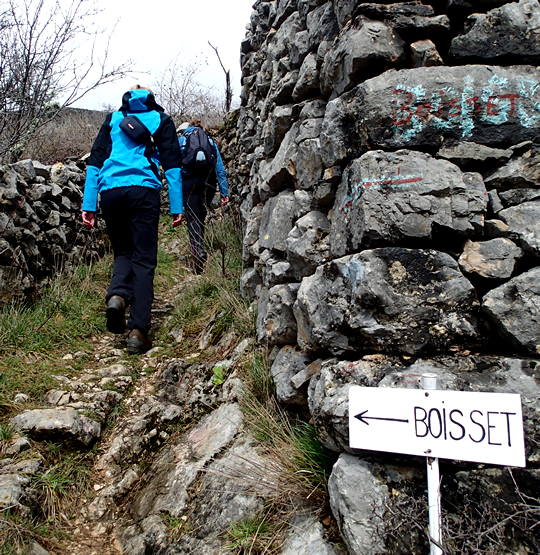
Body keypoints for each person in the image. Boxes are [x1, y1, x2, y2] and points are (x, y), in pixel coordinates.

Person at [81, 85, 184, 355]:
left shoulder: (113, 119)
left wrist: (89, 204)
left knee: (123, 252)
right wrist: (177, 205)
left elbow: (95, 162)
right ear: (151, 99)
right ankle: (138, 330)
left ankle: (117, 296)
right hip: (143, 192)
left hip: (110, 192)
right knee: (144, 259)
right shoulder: (161, 120)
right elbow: (172, 164)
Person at [179, 120, 229, 274]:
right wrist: (224, 192)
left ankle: (198, 250)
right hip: (209, 183)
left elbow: (174, 169)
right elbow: (220, 168)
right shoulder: (209, 141)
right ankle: (200, 246)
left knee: (192, 217)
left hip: (189, 183)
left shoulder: (181, 141)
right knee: (201, 214)